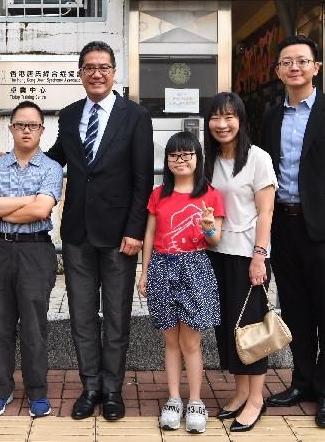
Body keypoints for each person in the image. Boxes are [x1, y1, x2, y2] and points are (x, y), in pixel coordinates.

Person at [259, 35, 325, 427]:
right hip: (283, 226)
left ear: (316, 67)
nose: (295, 68)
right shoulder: (271, 116)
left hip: (323, 228)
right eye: (287, 62)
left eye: (302, 61)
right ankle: (301, 382)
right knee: (296, 309)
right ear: (278, 71)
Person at [46, 41, 154, 421]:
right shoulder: (71, 113)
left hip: (119, 234)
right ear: (80, 73)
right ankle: (89, 384)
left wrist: (136, 231)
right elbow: (58, 156)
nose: (96, 73)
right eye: (89, 67)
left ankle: (112, 388)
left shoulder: (135, 117)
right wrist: (14, 156)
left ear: (113, 73)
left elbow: (143, 179)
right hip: (76, 231)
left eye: (103, 67)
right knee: (81, 314)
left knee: (116, 315)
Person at [0, 101, 63, 418]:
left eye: (33, 125)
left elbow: (42, 211)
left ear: (42, 129)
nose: (27, 130)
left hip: (35, 251)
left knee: (33, 326)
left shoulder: (52, 168)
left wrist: (8, 205)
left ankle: (37, 391)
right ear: (11, 127)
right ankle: (0, 390)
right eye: (20, 124)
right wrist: (29, 200)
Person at [137, 131, 224, 435]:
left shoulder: (210, 194)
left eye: (187, 154)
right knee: (171, 341)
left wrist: (210, 227)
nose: (180, 160)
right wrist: (144, 271)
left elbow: (216, 240)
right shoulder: (158, 193)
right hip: (162, 266)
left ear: (198, 158)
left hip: (195, 267)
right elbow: (149, 235)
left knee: (191, 342)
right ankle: (174, 399)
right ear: (167, 160)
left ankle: (196, 401)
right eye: (174, 155)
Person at [204, 92, 277, 433]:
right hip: (215, 253)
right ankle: (239, 392)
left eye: (229, 117)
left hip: (248, 256)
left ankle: (256, 399)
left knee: (250, 331)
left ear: (241, 120)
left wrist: (259, 255)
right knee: (227, 330)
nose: (222, 124)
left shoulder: (258, 158)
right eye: (216, 117)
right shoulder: (209, 158)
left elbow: (266, 211)